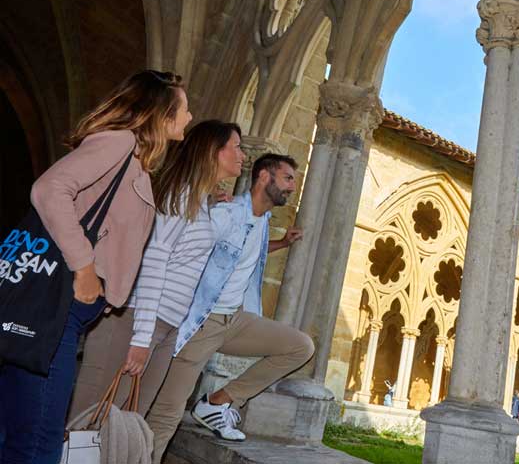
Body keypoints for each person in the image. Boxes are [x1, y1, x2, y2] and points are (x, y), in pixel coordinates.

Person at [0, 70, 191, 464]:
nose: (190, 117)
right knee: (38, 443)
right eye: (185, 109)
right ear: (161, 113)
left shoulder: (135, 163)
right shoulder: (119, 142)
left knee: (19, 433)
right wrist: (85, 268)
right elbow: (48, 189)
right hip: (55, 311)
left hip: (59, 313)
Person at [69, 120, 246, 420]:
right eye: (237, 147)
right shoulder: (180, 195)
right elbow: (154, 260)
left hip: (166, 326)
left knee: (124, 427)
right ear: (213, 151)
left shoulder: (198, 200)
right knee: (88, 424)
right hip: (136, 321)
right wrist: (141, 337)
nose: (243, 155)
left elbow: (183, 253)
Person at [145, 153, 315, 464]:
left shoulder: (262, 218)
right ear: (264, 177)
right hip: (203, 322)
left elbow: (247, 250)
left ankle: (217, 403)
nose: (292, 186)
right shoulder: (226, 213)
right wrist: (206, 207)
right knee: (167, 413)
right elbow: (186, 244)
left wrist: (281, 243)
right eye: (288, 178)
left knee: (300, 346)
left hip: (234, 320)